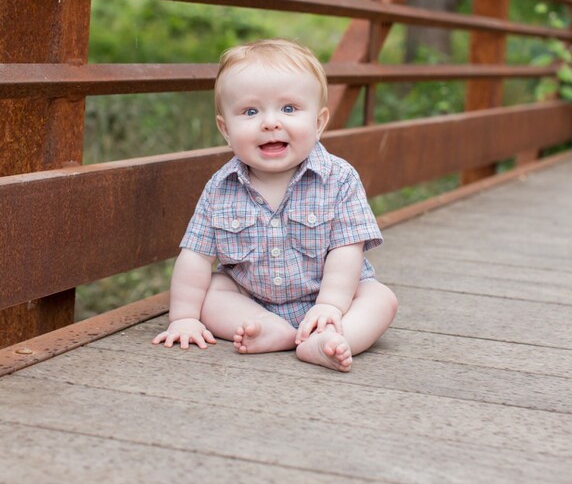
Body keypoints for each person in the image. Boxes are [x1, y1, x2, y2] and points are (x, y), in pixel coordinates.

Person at [152, 39, 398, 372]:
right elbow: (195, 256)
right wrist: (183, 317)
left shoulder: (338, 178)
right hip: (251, 298)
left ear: (319, 122)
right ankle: (271, 329)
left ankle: (332, 340)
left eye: (289, 109)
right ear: (225, 129)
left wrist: (330, 305)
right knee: (211, 293)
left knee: (380, 299)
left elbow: (347, 250)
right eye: (250, 112)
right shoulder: (219, 189)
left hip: (329, 298)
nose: (270, 123)